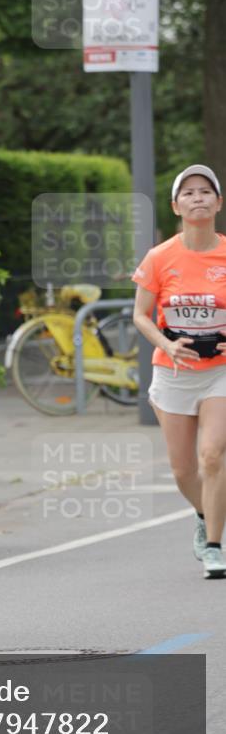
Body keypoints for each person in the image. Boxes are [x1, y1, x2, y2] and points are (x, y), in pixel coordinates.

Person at [132, 164, 226, 579]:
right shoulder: (160, 257)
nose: (198, 197)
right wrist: (167, 344)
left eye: (206, 191)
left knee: (212, 456)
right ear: (175, 206)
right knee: (183, 470)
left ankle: (214, 546)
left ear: (218, 203)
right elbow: (140, 315)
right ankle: (207, 514)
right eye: (188, 193)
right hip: (173, 372)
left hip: (220, 370)